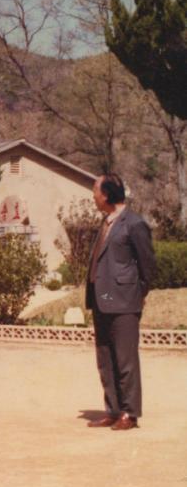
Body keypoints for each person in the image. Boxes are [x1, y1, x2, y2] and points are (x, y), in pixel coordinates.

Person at [85, 174, 156, 431]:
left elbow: (148, 265)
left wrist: (137, 295)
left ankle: (129, 413)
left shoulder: (134, 223)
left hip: (125, 302)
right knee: (105, 359)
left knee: (125, 360)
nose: (93, 196)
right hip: (102, 299)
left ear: (106, 195)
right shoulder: (106, 222)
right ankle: (113, 410)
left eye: (95, 191)